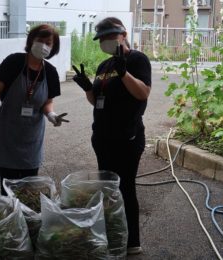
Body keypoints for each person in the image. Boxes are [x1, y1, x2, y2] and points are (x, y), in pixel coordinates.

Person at [72, 17, 151, 255]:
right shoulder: (103, 66)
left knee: (125, 188)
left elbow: (143, 92)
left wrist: (124, 73)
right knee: (107, 189)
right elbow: (97, 101)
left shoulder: (137, 59)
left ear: (123, 34)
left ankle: (132, 242)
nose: (105, 41)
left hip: (127, 138)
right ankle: (113, 234)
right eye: (102, 38)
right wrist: (87, 87)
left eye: (110, 36)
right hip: (103, 138)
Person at [0, 24, 68, 195]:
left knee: (29, 186)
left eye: (48, 43)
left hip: (32, 136)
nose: (43, 45)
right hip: (7, 132)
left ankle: (25, 219)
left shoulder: (51, 73)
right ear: (31, 41)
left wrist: (51, 114)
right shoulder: (14, 61)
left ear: (53, 48)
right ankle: (11, 217)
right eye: (40, 40)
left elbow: (47, 102)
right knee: (7, 185)